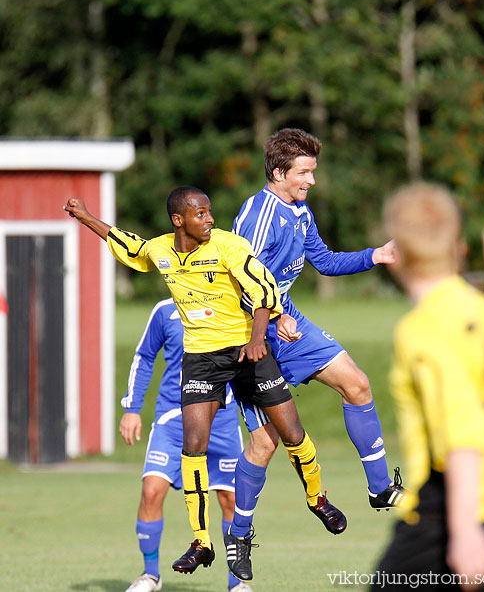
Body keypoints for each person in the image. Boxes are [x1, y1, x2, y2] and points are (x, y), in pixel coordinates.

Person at [64, 186, 345, 583]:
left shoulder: (228, 246)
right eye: (201, 214)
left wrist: (257, 338)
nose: (210, 219)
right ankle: (201, 541)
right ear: (179, 220)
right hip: (202, 360)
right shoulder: (161, 250)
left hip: (248, 349)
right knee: (193, 447)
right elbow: (129, 246)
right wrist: (87, 215)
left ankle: (318, 499)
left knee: (292, 432)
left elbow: (263, 289)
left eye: (210, 212)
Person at [232, 128, 405, 532]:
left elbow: (324, 261)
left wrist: (376, 255)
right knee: (265, 443)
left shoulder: (299, 211)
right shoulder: (258, 217)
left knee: (357, 384)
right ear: (278, 173)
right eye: (304, 172)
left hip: (287, 321)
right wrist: (274, 318)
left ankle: (379, 489)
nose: (311, 180)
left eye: (312, 171)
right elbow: (237, 281)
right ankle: (239, 534)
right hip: (249, 334)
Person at [369, 181, 484, 591]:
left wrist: (464, 530)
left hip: (451, 509)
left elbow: (460, 431)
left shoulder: (423, 329)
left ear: (396, 255)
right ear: (460, 247)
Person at [119, 297, 252, 592]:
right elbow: (144, 356)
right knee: (152, 490)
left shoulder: (232, 303)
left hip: (221, 421)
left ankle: (237, 583)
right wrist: (132, 408)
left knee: (230, 501)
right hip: (172, 418)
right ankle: (150, 575)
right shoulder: (165, 310)